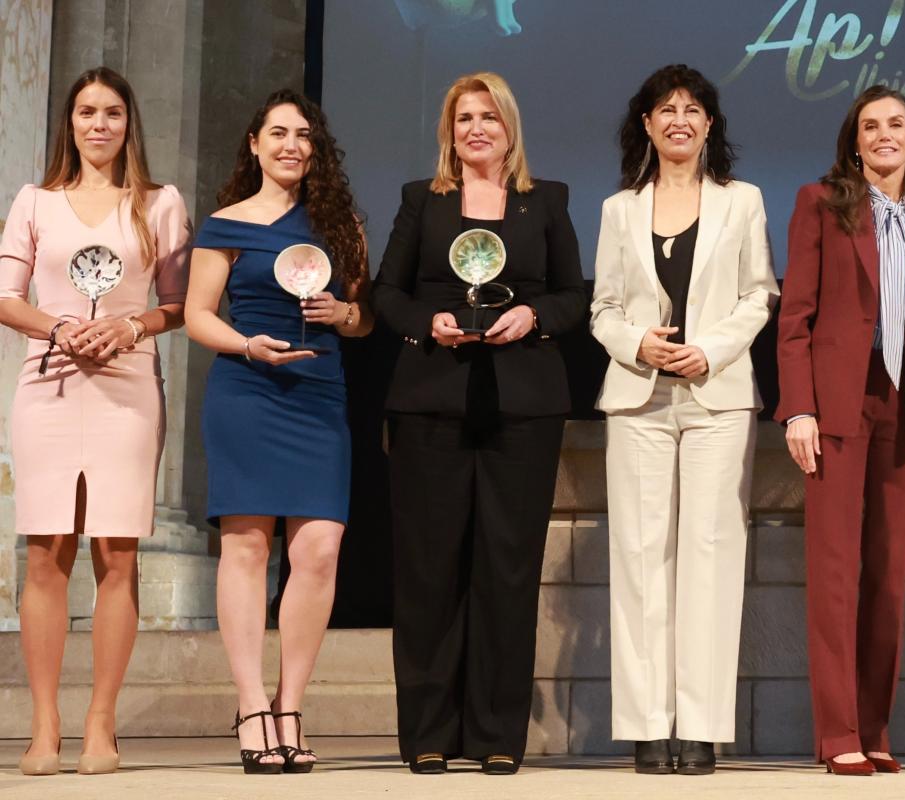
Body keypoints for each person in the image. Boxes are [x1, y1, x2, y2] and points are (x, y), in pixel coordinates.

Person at [372, 71, 587, 776]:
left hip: (522, 404)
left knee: (507, 567)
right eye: (464, 118)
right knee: (428, 569)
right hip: (431, 398)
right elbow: (388, 292)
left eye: (488, 117)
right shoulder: (422, 200)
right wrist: (427, 323)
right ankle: (428, 733)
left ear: (509, 127)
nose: (476, 129)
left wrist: (533, 316)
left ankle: (497, 733)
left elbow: (572, 295)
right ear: (449, 131)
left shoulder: (545, 200)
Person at [1, 67, 190, 777]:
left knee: (118, 551)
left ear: (128, 122)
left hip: (126, 387)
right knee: (46, 551)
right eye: (86, 112)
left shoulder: (159, 203)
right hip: (48, 384)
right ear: (70, 123)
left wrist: (129, 328)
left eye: (112, 112)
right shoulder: (35, 201)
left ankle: (101, 722)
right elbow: (5, 295)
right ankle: (44, 724)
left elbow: (178, 303)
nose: (99, 124)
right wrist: (58, 328)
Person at [590, 64, 777, 776]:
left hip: (716, 398)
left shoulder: (742, 201)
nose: (679, 120)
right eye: (666, 109)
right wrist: (637, 342)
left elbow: (759, 294)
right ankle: (646, 725)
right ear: (646, 124)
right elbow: (603, 308)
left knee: (710, 555)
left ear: (708, 125)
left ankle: (699, 727)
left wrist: (712, 350)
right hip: (638, 399)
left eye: (692, 109)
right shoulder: (619, 209)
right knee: (640, 558)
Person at [184, 88, 373, 774]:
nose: (292, 145)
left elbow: (364, 320)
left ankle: (291, 705)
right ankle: (251, 705)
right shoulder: (225, 223)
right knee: (246, 546)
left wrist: (342, 314)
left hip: (318, 395)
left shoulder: (342, 224)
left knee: (319, 549)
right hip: (248, 390)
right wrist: (246, 345)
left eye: (304, 135)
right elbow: (197, 314)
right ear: (255, 145)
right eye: (279, 133)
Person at [774, 85, 905, 776]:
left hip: (903, 410)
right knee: (834, 574)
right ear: (855, 142)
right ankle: (839, 734)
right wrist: (799, 407)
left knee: (888, 579)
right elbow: (795, 314)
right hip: (836, 407)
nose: (884, 135)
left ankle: (876, 728)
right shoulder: (819, 203)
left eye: (896, 124)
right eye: (870, 126)